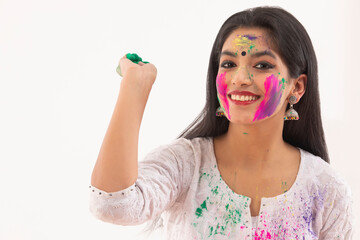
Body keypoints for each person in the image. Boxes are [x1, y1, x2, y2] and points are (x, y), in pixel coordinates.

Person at [89, 6, 354, 240]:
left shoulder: (326, 190)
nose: (240, 78)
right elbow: (111, 205)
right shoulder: (185, 165)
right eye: (228, 63)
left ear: (297, 87)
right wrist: (134, 87)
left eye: (261, 65)